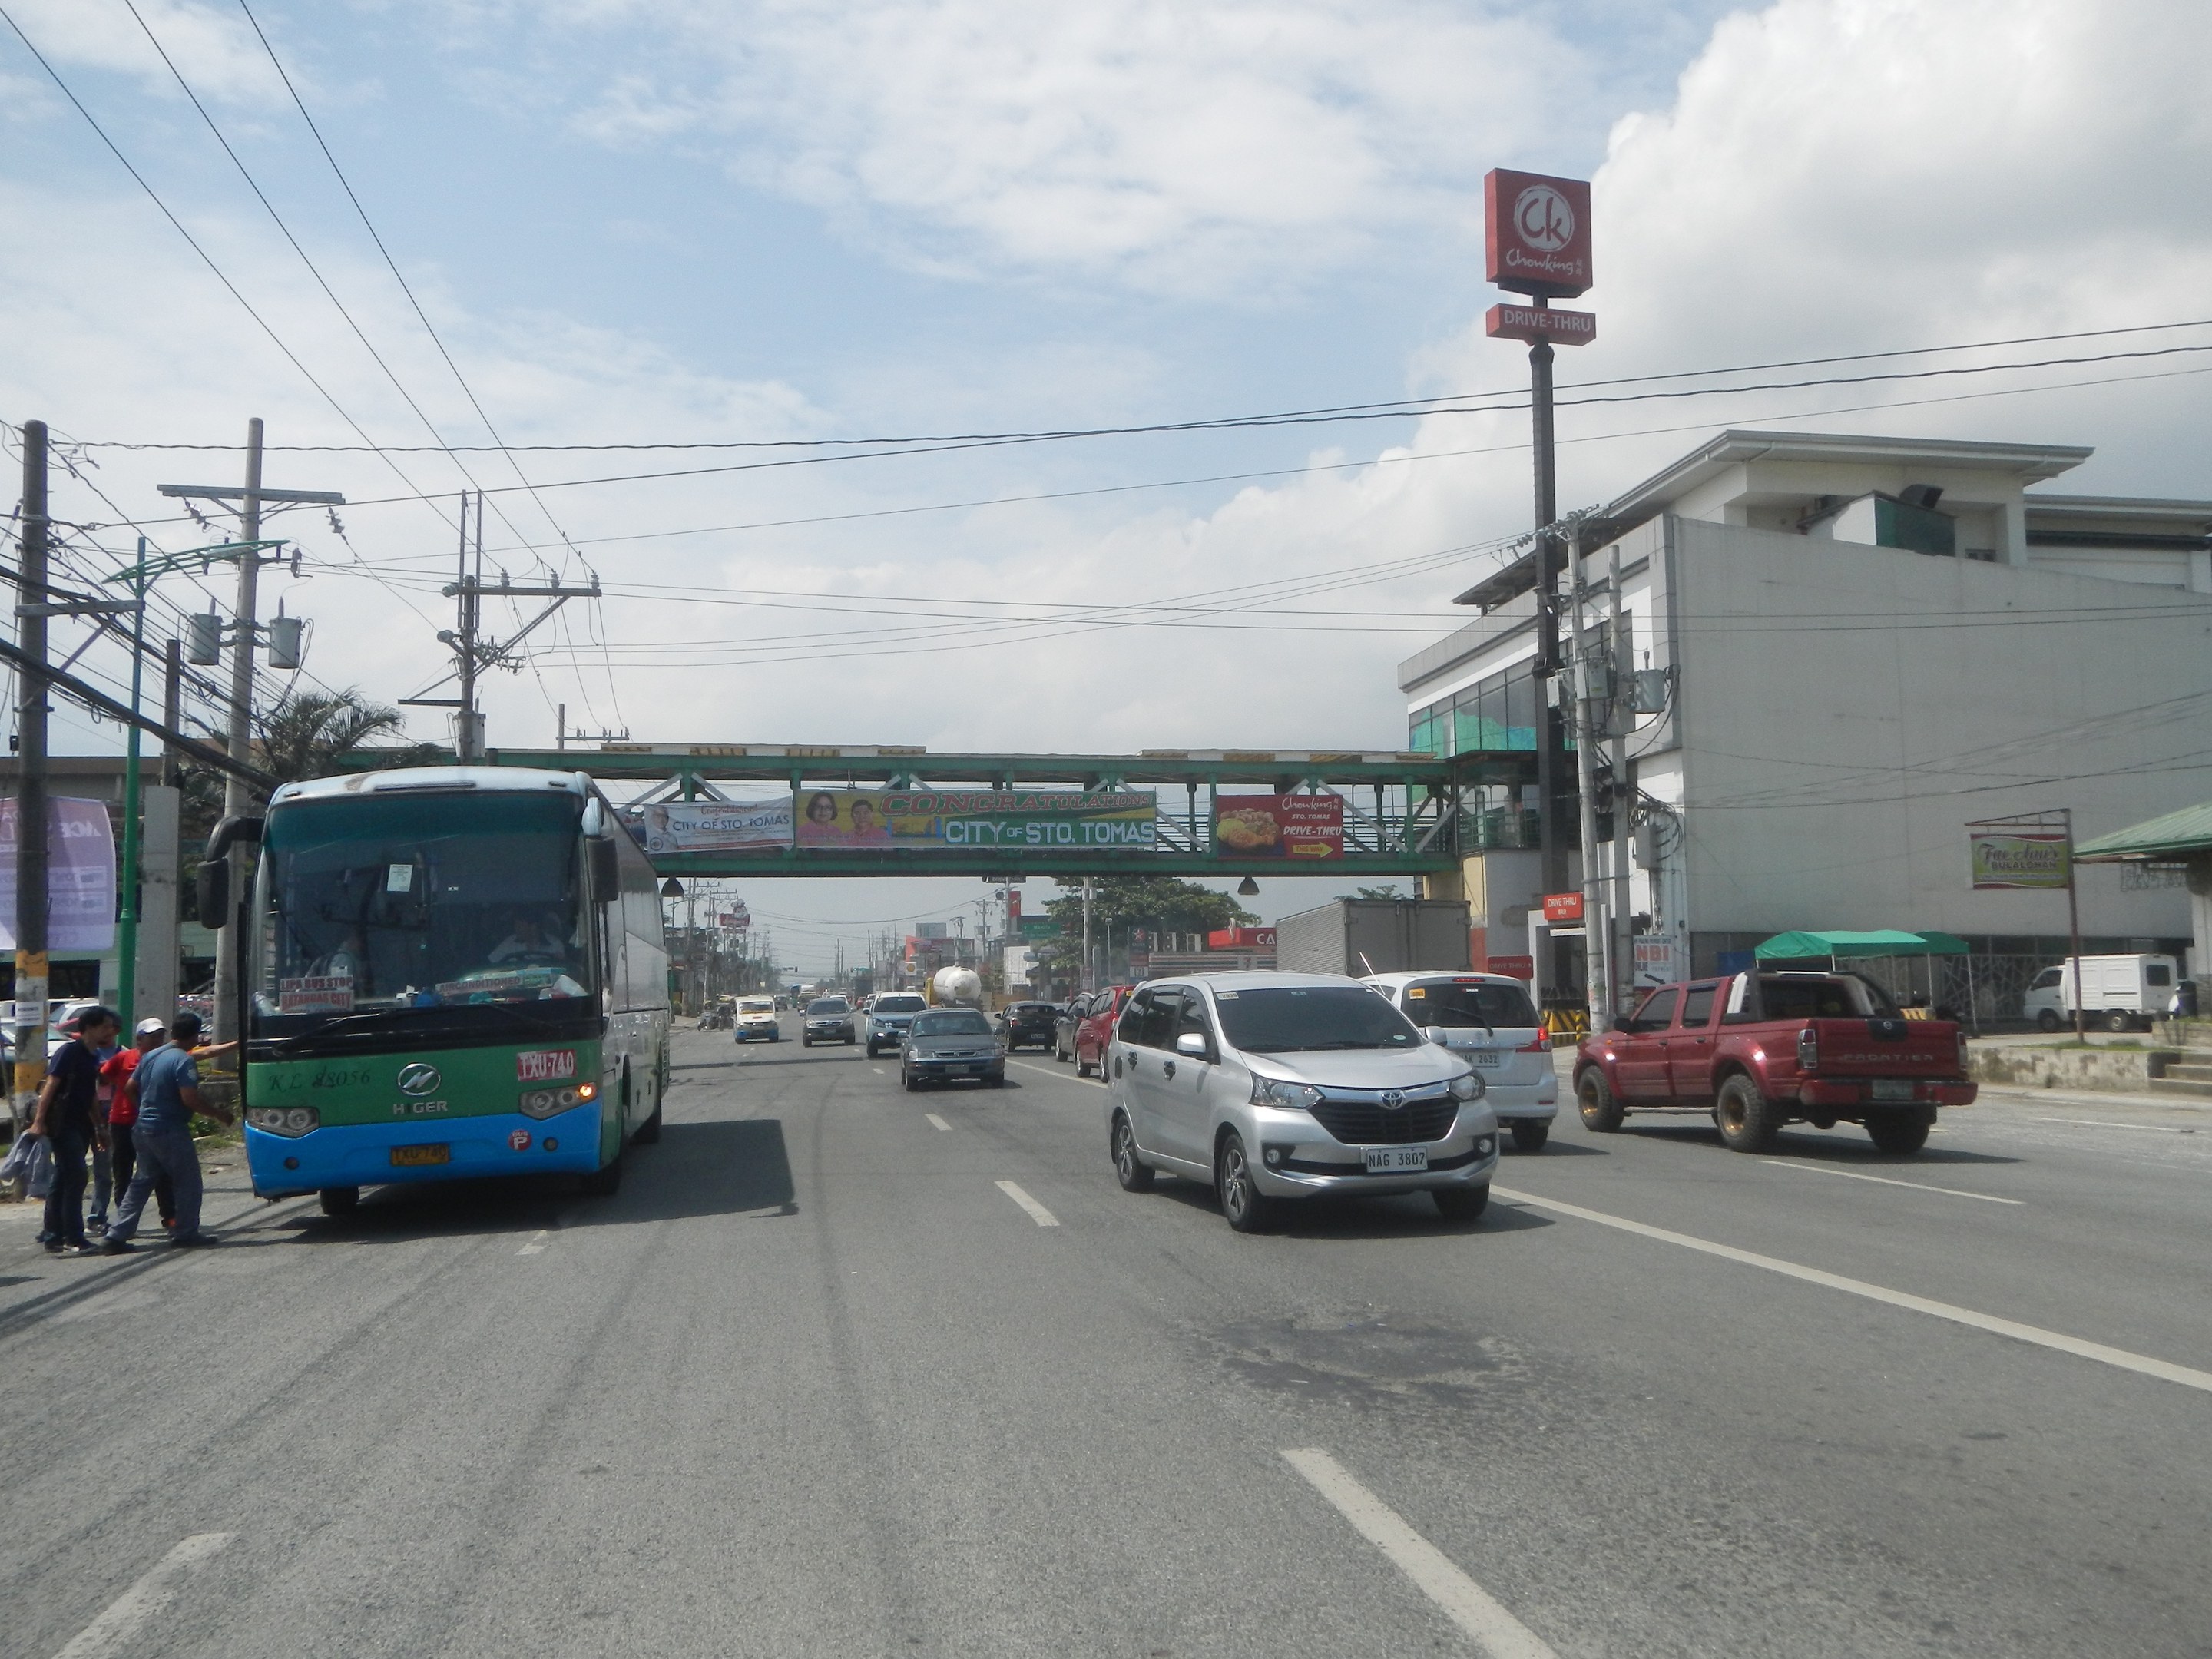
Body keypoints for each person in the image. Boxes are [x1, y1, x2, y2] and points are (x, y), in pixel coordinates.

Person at [101, 1011, 233, 1252]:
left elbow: (130, 1087)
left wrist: (143, 1108)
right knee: (188, 1182)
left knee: (141, 1181)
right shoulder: (182, 1060)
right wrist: (219, 1114)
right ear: (195, 1037)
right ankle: (186, 1233)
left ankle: (116, 1235)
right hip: (169, 1129)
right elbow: (189, 1098)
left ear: (173, 1033)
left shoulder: (151, 1056)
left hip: (143, 1128)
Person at [31, 1005, 118, 1256]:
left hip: (81, 1124)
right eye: (105, 1026)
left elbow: (90, 1093)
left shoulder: (92, 1055)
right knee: (77, 1176)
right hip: (63, 1123)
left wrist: (99, 1126)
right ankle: (74, 1237)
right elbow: (51, 1085)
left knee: (62, 1178)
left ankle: (53, 1236)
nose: (109, 1031)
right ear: (89, 1028)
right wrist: (39, 1120)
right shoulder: (69, 1051)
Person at [100, 1018, 177, 1236]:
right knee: (123, 1173)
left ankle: (170, 1217)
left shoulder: (166, 1059)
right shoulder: (124, 1058)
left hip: (154, 1123)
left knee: (162, 1172)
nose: (157, 1040)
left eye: (160, 1036)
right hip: (123, 1122)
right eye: (152, 1036)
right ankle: (124, 1222)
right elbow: (103, 1077)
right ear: (139, 1039)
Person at [85, 1022, 124, 1234]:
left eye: (109, 1028)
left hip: (113, 1118)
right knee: (73, 1173)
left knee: (106, 1170)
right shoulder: (87, 1053)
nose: (105, 1032)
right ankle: (61, 1222)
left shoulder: (124, 1054)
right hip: (86, 1117)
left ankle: (98, 1216)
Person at [487, 910, 566, 967]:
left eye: (520, 927)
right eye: (516, 926)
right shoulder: (509, 943)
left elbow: (562, 971)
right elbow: (492, 965)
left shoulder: (555, 944)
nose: (516, 929)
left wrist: (559, 961)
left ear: (533, 927)